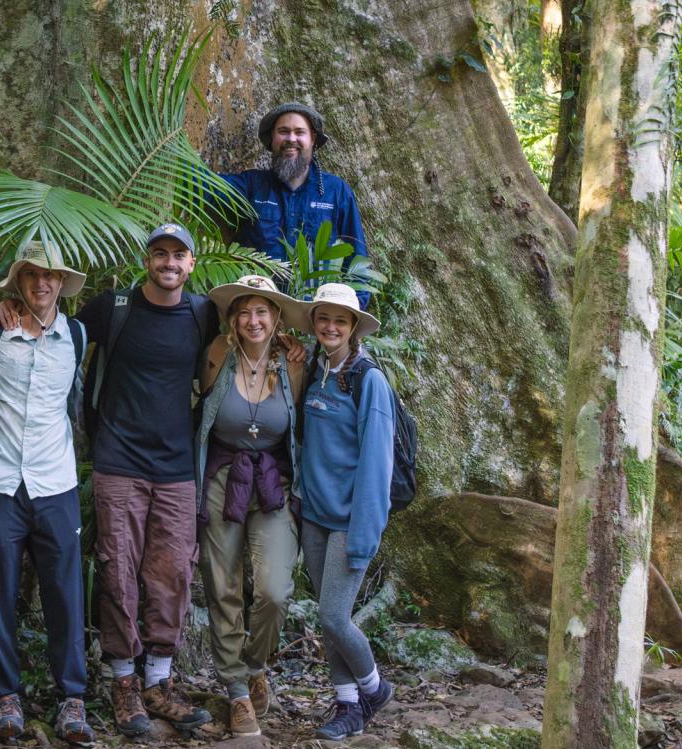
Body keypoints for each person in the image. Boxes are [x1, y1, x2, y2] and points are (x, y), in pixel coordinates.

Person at [0, 223, 218, 736]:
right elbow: (48, 324)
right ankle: (123, 683)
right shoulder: (111, 309)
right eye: (159, 253)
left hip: (178, 467)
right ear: (147, 261)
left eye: (178, 255)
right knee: (117, 571)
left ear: (191, 263)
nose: (168, 263)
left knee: (172, 572)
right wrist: (8, 310)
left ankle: (159, 681)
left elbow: (239, 355)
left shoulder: (205, 314)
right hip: (119, 461)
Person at [0, 242, 96, 746]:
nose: (42, 283)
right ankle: (5, 698)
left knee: (65, 592)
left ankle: (72, 698)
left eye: (51, 275)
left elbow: (78, 401)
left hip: (55, 480)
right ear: (19, 281)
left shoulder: (76, 337)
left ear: (62, 283)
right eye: (32, 275)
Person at [195, 275, 308, 738]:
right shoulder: (217, 356)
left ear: (277, 317)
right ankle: (238, 693)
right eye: (245, 311)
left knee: (274, 589)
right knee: (222, 584)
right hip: (223, 477)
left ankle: (256, 665)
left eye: (263, 311)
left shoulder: (294, 363)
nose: (253, 320)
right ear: (232, 319)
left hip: (272, 484)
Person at [296, 282, 397, 740]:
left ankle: (374, 689)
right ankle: (347, 705)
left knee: (334, 617)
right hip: (314, 516)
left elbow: (377, 465)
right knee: (327, 615)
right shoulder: (314, 367)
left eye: (340, 319)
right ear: (314, 322)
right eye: (323, 318)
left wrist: (363, 537)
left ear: (354, 326)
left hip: (350, 521)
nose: (331, 326)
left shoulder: (368, 380)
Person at [220, 103, 370, 306]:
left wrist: (350, 314)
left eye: (300, 132)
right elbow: (205, 185)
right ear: (272, 139)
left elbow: (357, 262)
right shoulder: (251, 186)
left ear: (313, 139)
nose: (291, 139)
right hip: (258, 315)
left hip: (314, 318)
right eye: (283, 131)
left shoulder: (337, 192)